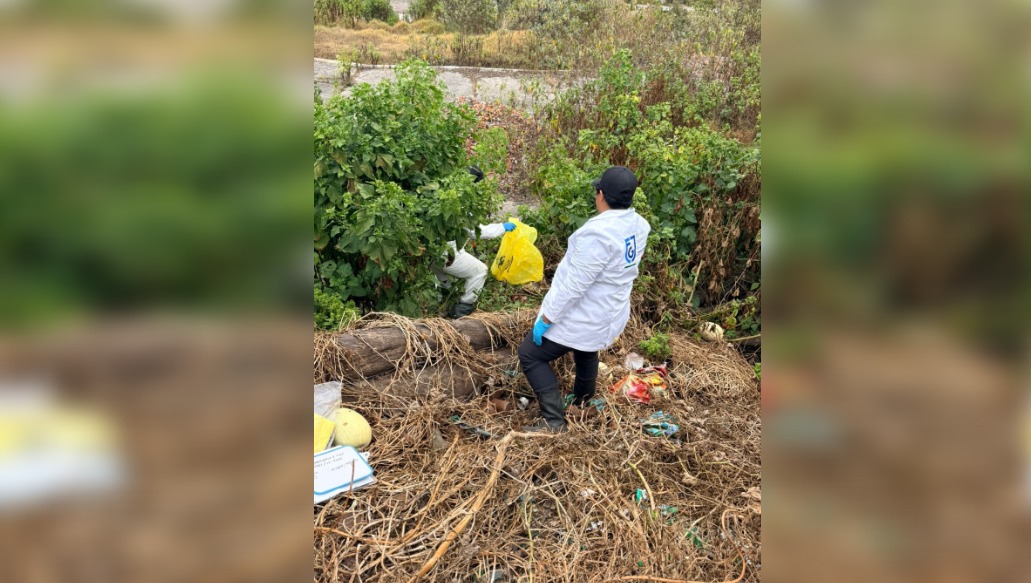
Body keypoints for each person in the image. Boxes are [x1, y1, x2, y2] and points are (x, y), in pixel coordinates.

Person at [518, 166, 651, 432]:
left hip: (585, 315)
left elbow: (573, 287)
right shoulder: (639, 225)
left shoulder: (597, 234)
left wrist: (546, 318)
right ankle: (582, 400)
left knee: (530, 355)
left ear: (601, 194)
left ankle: (554, 421)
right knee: (587, 348)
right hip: (609, 312)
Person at [440, 166, 515, 318]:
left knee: (441, 278)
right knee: (480, 271)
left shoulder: (442, 190)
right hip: (446, 253)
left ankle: (439, 305)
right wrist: (502, 227)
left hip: (430, 252)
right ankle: (462, 309)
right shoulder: (460, 201)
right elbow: (476, 232)